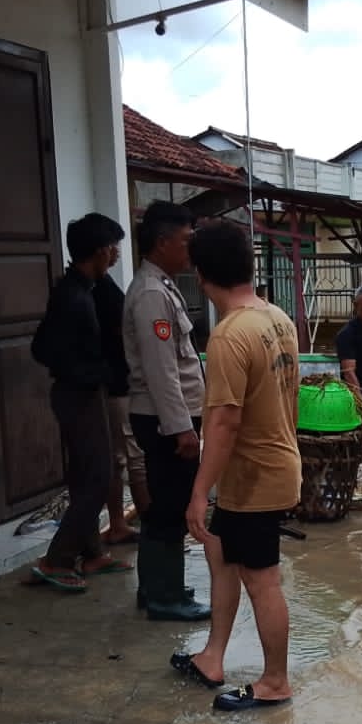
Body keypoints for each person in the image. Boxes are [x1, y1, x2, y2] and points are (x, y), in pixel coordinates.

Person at [174, 221, 302, 712]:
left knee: (261, 578)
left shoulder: (228, 337)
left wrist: (197, 491)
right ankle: (212, 656)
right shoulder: (276, 318)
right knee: (223, 557)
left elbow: (224, 422)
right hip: (272, 465)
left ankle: (275, 682)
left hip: (254, 478)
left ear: (201, 273)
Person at [27, 213, 134, 592]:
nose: (116, 253)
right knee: (98, 477)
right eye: (113, 247)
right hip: (78, 395)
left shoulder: (84, 288)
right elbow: (44, 348)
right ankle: (57, 560)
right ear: (101, 250)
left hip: (84, 392)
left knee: (86, 475)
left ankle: (91, 553)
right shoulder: (73, 298)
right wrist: (93, 371)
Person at [123, 201, 209, 621]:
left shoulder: (162, 286)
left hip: (168, 418)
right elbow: (162, 371)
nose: (191, 249)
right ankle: (165, 596)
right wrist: (181, 429)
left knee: (164, 505)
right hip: (165, 421)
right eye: (185, 241)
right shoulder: (152, 294)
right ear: (162, 242)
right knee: (171, 507)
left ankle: (157, 586)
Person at [94, 265, 149, 547]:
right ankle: (149, 525)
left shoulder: (99, 287)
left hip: (115, 383)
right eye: (110, 247)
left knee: (120, 457)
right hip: (117, 385)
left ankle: (120, 523)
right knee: (130, 455)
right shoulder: (99, 291)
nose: (115, 252)